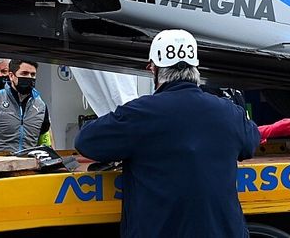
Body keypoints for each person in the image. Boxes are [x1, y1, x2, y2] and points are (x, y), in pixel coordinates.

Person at [74, 30, 258, 237]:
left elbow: (86, 141)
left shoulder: (140, 113)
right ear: (196, 68)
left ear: (153, 68)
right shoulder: (229, 112)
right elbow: (250, 143)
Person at [0, 60, 52, 154]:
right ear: (11, 76)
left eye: (33, 74)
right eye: (24, 73)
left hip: (29, 165)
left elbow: (44, 140)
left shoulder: (41, 106)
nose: (29, 77)